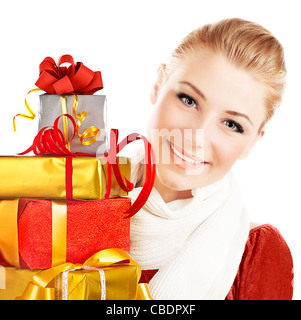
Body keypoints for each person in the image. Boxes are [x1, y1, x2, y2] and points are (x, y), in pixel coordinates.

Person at [128, 18, 293, 300]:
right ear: (159, 83)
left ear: (252, 141)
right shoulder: (66, 207)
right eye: (189, 100)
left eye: (232, 124)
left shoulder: (258, 253)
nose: (196, 137)